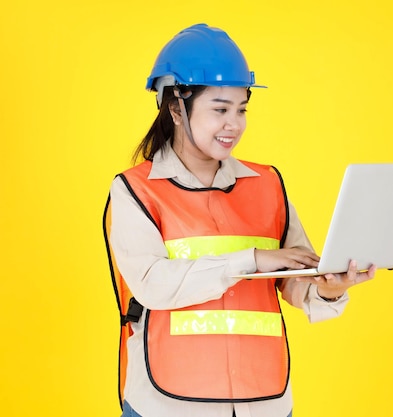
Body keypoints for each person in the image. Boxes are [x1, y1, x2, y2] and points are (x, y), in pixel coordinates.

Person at [103, 23, 376, 417]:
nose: (234, 124)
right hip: (170, 403)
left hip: (263, 400)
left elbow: (297, 281)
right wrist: (250, 259)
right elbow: (152, 286)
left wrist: (331, 287)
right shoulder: (136, 190)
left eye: (241, 109)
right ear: (176, 108)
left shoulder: (267, 185)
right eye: (220, 110)